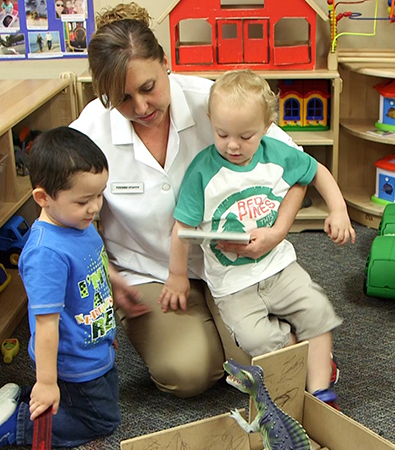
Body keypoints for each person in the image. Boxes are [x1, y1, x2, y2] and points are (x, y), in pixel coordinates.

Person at [70, 2, 316, 398]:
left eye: (148, 88)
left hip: (237, 263)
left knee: (271, 367)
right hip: (150, 272)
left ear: (165, 62)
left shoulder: (215, 102)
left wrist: (278, 231)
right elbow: (59, 217)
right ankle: (206, 339)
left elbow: (299, 167)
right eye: (123, 99)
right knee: (187, 374)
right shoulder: (89, 131)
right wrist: (109, 279)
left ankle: (231, 335)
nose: (141, 107)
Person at [160, 69, 354, 408]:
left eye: (246, 136)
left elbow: (316, 170)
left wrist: (338, 210)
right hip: (233, 283)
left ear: (266, 127)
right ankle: (294, 345)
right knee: (256, 339)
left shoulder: (276, 153)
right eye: (222, 134)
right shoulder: (202, 172)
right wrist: (177, 276)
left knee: (318, 310)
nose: (232, 145)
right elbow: (182, 230)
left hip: (279, 267)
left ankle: (322, 391)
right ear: (210, 121)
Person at [0, 127, 146, 450]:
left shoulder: (79, 224)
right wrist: (47, 382)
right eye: (83, 200)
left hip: (93, 344)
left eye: (99, 195)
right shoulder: (46, 253)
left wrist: (115, 283)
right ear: (43, 198)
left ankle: (21, 401)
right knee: (102, 421)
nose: (95, 207)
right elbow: (45, 325)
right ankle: (16, 426)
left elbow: (95, 261)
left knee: (102, 403)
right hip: (70, 360)